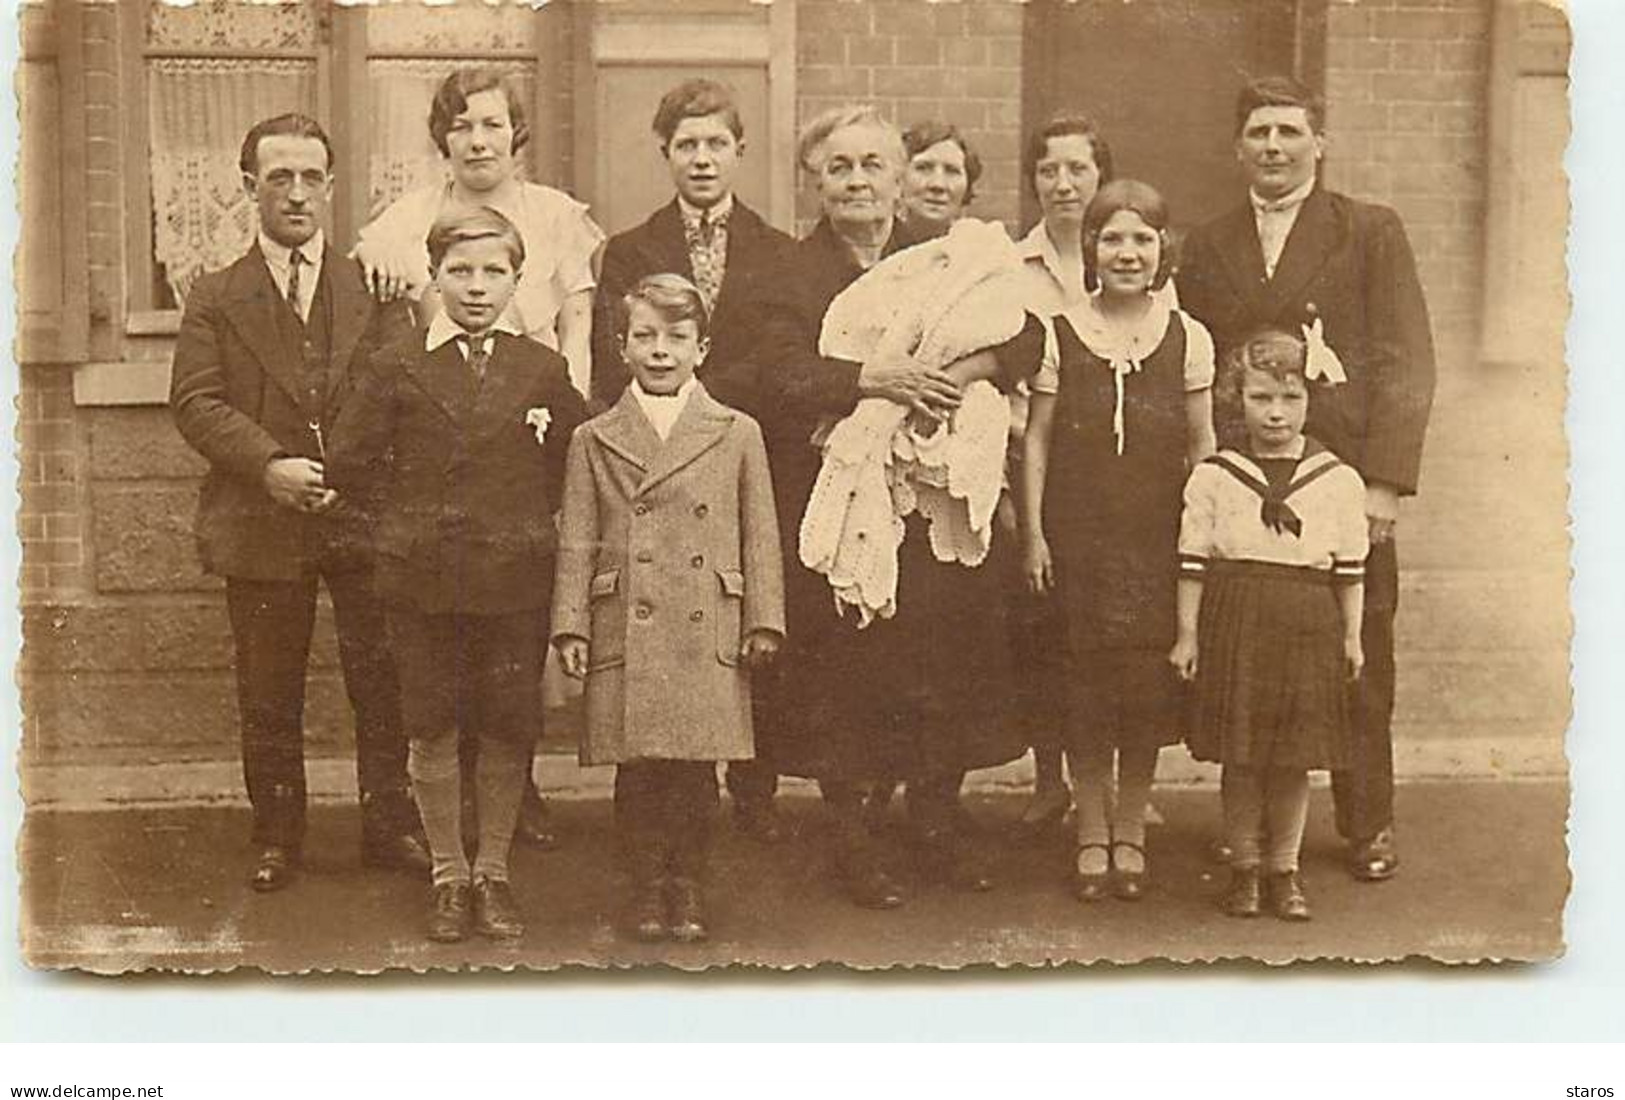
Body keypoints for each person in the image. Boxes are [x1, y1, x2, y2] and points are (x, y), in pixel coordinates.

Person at [714, 106, 1043, 908]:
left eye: (872, 165)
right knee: (849, 678)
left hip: (934, 510)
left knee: (943, 664)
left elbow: (1028, 335)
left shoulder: (940, 260)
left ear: (901, 179)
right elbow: (761, 374)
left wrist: (965, 373)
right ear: (812, 181)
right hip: (841, 501)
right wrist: (869, 379)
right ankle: (854, 839)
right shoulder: (781, 273)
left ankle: (932, 819)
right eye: (838, 167)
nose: (856, 181)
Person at [1178, 75, 1436, 882]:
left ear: (1317, 143)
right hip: (1245, 484)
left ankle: (1366, 823)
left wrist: (1384, 483)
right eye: (1257, 133)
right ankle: (1251, 834)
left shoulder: (1367, 231)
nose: (1273, 147)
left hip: (1340, 482)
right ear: (1236, 148)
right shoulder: (1210, 242)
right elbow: (1194, 362)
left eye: (1288, 132)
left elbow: (1404, 361)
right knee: (1248, 655)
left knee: (1360, 654)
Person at [169, 113, 429, 893]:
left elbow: (394, 387)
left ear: (331, 186)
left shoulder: (372, 286)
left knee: (379, 679)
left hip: (359, 511)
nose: (295, 193)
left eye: (310, 176)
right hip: (261, 514)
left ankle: (391, 825)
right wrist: (271, 465)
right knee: (268, 684)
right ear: (249, 187)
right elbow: (195, 402)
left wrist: (337, 469)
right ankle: (276, 833)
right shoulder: (215, 295)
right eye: (277, 177)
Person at [354, 67, 606, 847]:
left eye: (492, 124)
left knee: (507, 651)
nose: (478, 139)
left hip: (527, 423)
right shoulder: (407, 221)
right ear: (443, 138)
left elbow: (576, 334)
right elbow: (392, 311)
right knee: (437, 663)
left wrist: (559, 430)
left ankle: (511, 796)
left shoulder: (555, 218)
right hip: (442, 426)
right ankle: (444, 818)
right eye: (462, 125)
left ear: (514, 133)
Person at [328, 206, 588, 943]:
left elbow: (575, 460)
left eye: (494, 272)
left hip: (513, 582)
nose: (476, 287)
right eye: (460, 271)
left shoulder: (541, 368)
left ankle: (493, 871)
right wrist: (403, 528)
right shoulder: (397, 361)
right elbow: (349, 463)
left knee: (508, 725)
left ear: (516, 280)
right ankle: (448, 873)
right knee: (433, 726)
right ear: (434, 276)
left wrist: (532, 528)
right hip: (421, 582)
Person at [589, 78, 796, 844]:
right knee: (654, 668)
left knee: (739, 644)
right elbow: (613, 373)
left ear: (739, 152)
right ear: (665, 154)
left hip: (744, 461)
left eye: (716, 144)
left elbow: (780, 367)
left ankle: (751, 798)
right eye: (686, 145)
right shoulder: (629, 251)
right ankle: (649, 834)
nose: (701, 159)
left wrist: (704, 398)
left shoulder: (777, 253)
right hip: (651, 470)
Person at [554, 274, 785, 943]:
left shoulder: (736, 431)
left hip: (706, 620)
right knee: (638, 770)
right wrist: (570, 623)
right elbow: (577, 536)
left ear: (702, 348)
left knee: (695, 769)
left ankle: (687, 883)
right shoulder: (595, 437)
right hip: (627, 616)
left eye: (676, 338)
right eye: (645, 337)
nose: (660, 351)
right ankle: (645, 885)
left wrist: (763, 617)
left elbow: (758, 531)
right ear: (621, 346)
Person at [1021, 179, 1217, 902]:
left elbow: (1202, 445)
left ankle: (1129, 828)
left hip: (1155, 541)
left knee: (1140, 696)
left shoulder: (1187, 336)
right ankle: (1089, 829)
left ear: (1162, 249)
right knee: (1082, 692)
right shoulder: (1060, 331)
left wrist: (1201, 537)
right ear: (1092, 250)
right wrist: (1034, 535)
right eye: (1112, 238)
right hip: (1077, 542)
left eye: (1141, 238)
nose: (1127, 252)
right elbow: (1037, 441)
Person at [1172, 329, 1369, 921]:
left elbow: (1351, 568)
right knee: (1243, 756)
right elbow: (1193, 559)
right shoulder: (1216, 474)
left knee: (1292, 758)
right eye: (1261, 398)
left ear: (1310, 400)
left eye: (1290, 398)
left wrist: (1352, 635)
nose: (1276, 413)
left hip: (1308, 621)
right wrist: (1187, 634)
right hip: (1237, 618)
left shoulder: (1337, 479)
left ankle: (1284, 869)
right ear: (1238, 399)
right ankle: (1244, 870)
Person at [1007, 115, 1117, 835]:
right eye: (1048, 170)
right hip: (1034, 460)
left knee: (1112, 632)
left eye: (1077, 168)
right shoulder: (1011, 270)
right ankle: (1050, 780)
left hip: (1112, 476)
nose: (1063, 182)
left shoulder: (1129, 254)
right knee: (1044, 630)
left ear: (1099, 176)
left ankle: (1110, 789)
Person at [898, 120, 982, 237]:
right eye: (923, 168)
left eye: (952, 171)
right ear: (899, 178)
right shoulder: (873, 248)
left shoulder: (981, 250)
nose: (938, 184)